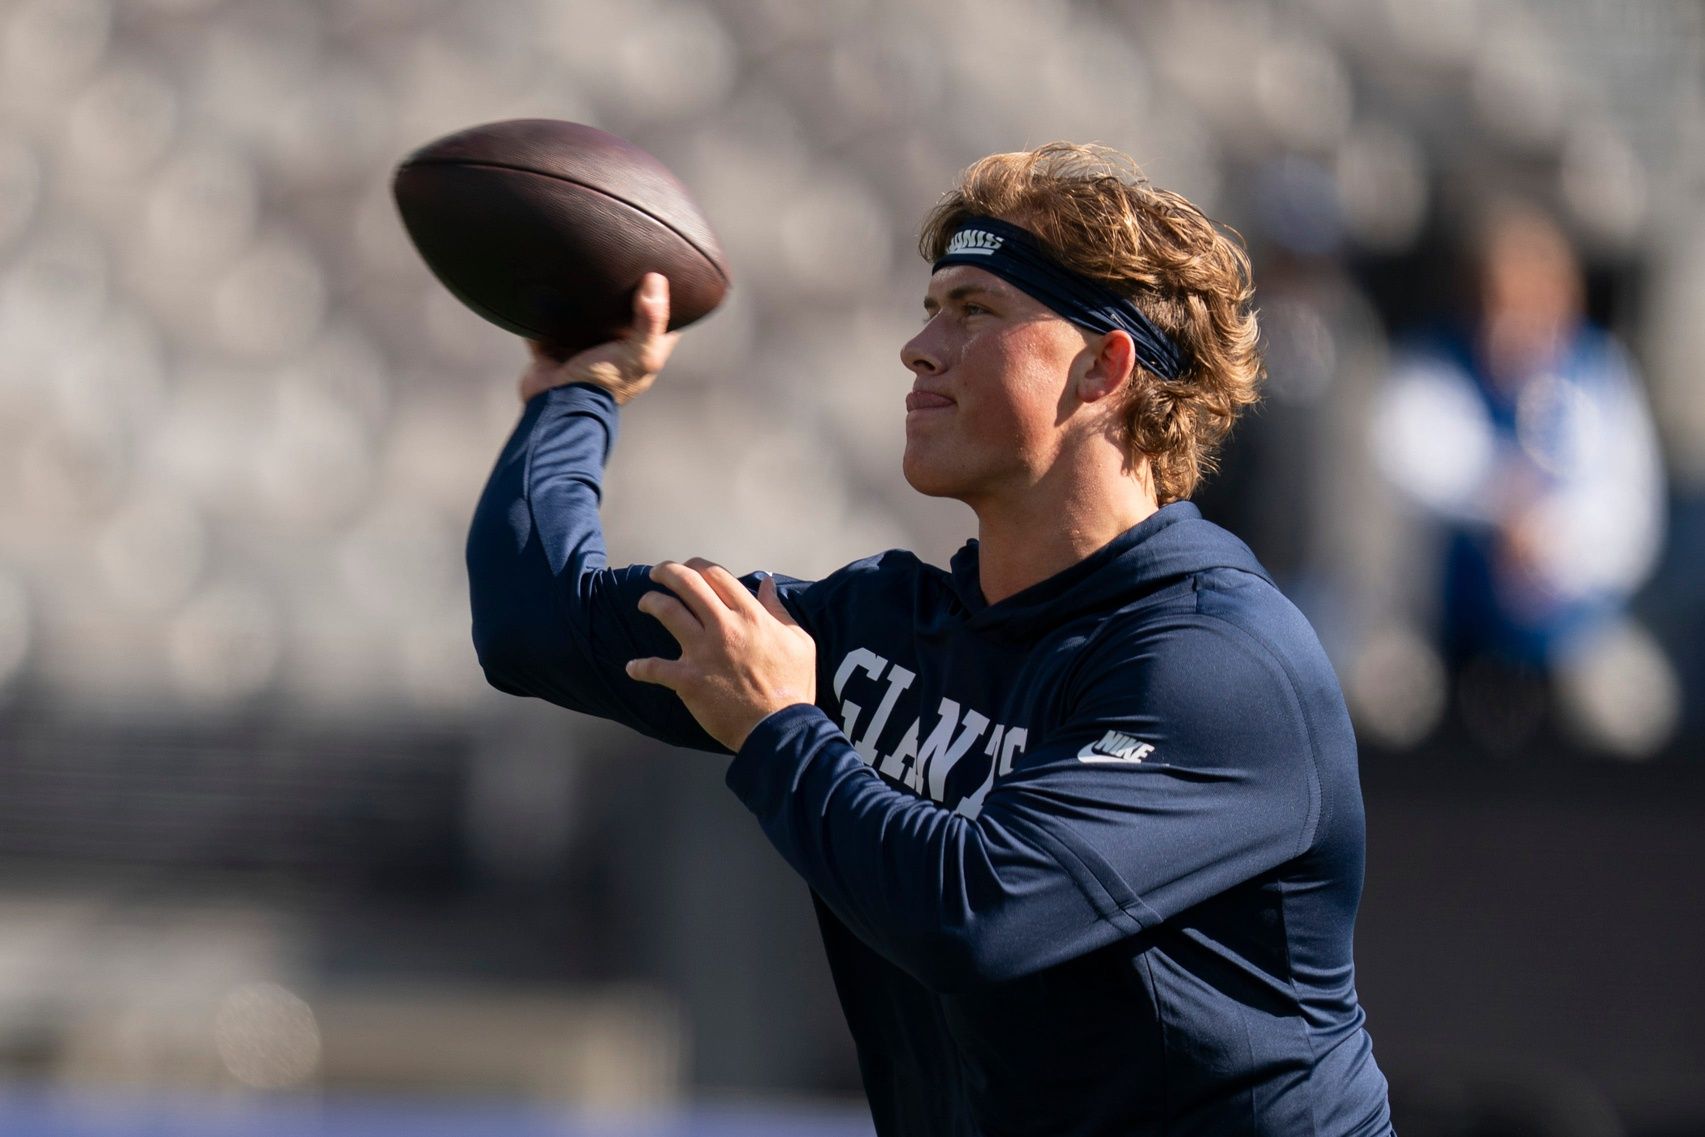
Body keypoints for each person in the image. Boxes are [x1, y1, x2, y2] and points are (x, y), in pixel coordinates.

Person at [467, 143, 1393, 1136]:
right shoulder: (882, 629)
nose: (919, 348)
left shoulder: (1218, 666)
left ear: (1104, 366)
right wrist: (579, 393)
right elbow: (535, 622)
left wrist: (780, 727)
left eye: (975, 311)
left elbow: (976, 914)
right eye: (929, 309)